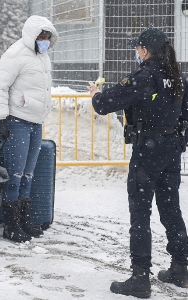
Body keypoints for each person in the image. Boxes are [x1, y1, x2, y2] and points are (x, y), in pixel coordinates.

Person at [88, 27, 188, 298]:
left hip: (148, 151)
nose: (136, 52)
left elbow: (107, 103)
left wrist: (96, 94)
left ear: (144, 50)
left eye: (137, 48)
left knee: (140, 214)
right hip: (170, 149)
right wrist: (179, 142)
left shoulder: (146, 75)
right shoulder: (176, 75)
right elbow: (185, 114)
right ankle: (181, 267)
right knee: (170, 209)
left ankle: (140, 277)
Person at [0, 15, 58, 243]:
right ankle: (10, 225)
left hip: (35, 122)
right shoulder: (15, 55)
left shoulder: (43, 57)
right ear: (32, 36)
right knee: (15, 175)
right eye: (41, 36)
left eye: (48, 37)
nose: (45, 41)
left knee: (28, 174)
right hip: (17, 121)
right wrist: (2, 118)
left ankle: (23, 220)